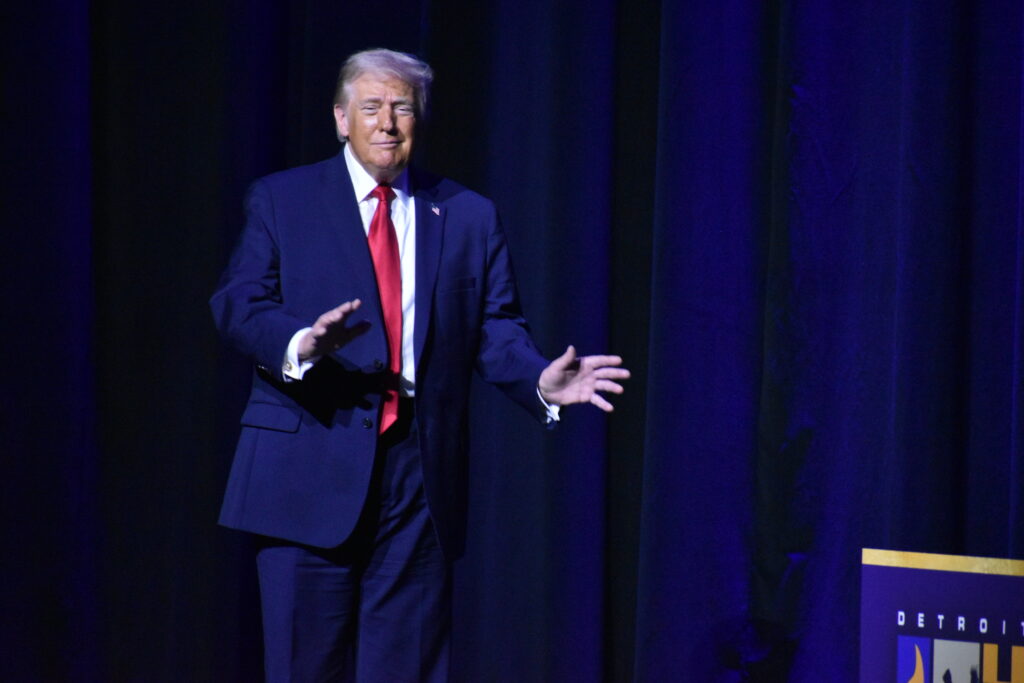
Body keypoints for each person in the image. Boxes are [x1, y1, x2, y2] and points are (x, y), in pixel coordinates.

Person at [210, 48, 629, 682]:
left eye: (402, 107)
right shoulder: (283, 199)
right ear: (340, 119)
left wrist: (539, 380)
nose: (387, 123)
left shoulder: (466, 215)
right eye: (372, 107)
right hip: (307, 465)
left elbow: (494, 327)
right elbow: (238, 302)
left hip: (417, 478)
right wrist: (300, 342)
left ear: (420, 119)